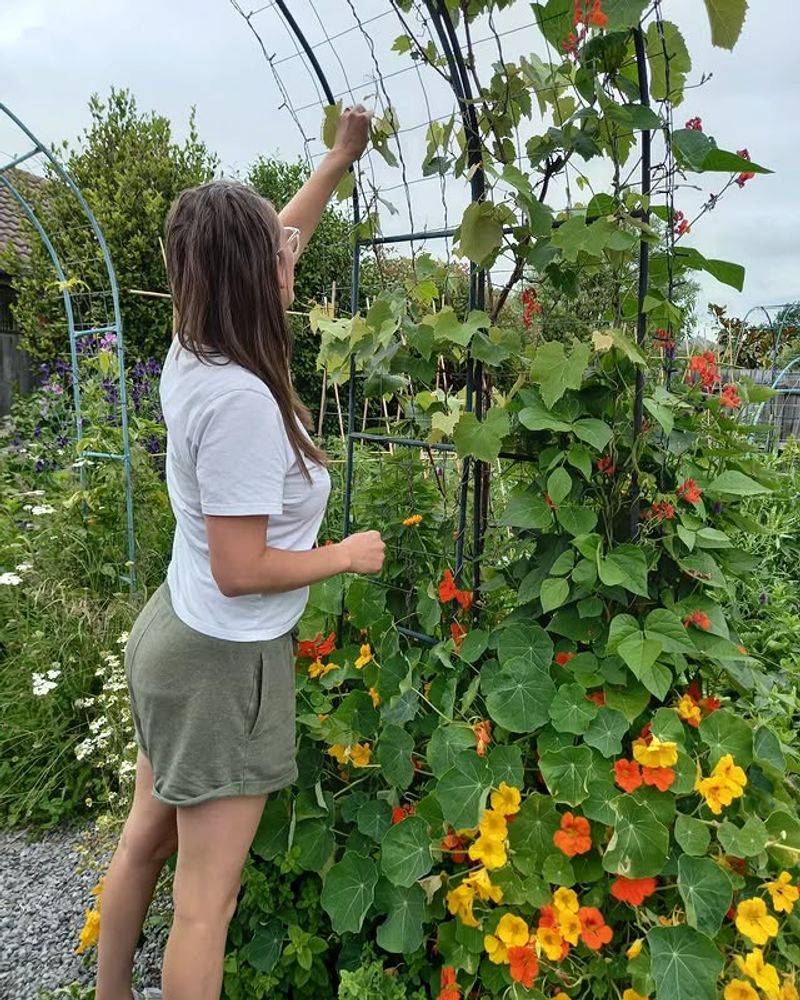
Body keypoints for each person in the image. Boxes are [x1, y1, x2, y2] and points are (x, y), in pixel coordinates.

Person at [95, 105, 385, 1000]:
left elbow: (284, 233)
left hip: (175, 635)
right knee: (205, 907)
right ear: (254, 276)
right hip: (222, 660)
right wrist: (345, 554)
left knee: (145, 839)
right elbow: (242, 566)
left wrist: (337, 161)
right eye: (276, 251)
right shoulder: (245, 407)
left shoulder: (196, 344)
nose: (291, 252)